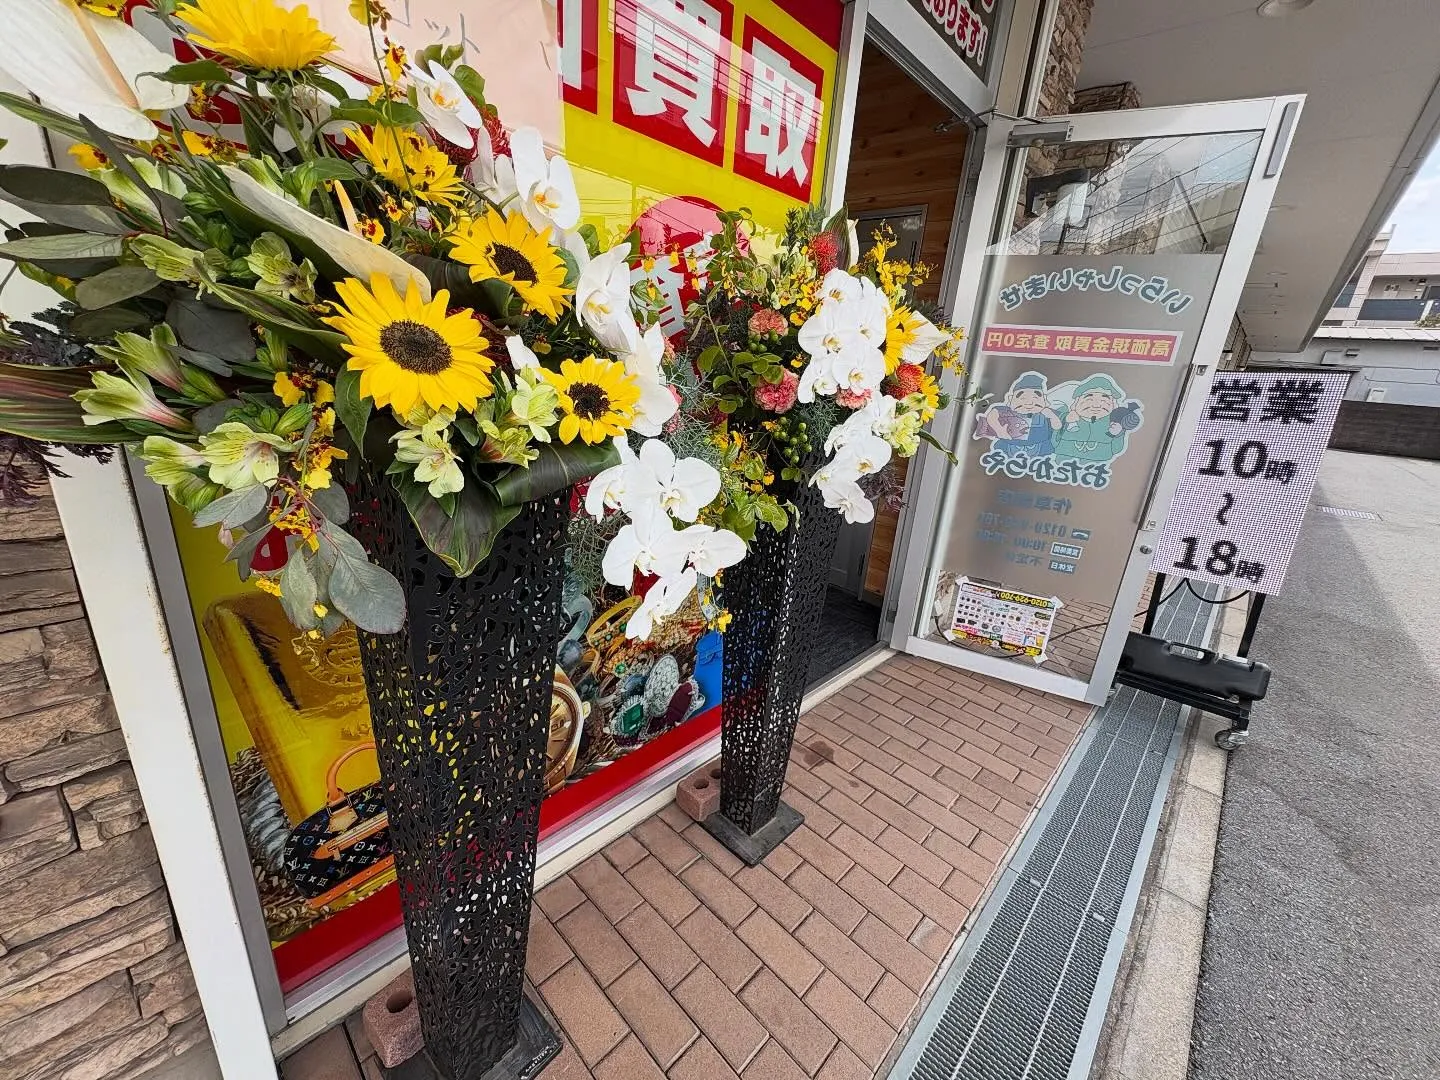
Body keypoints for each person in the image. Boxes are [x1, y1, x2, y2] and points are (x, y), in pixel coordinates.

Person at [1053, 373, 1138, 464]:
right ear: (1076, 402)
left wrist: (1118, 434)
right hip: (1061, 466)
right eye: (1089, 399)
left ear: (1113, 405)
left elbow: (1116, 449)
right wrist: (1065, 421)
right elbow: (1054, 442)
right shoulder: (1066, 417)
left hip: (1098, 468)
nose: (1096, 405)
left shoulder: (1111, 424)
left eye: (1104, 401)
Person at [976, 372, 1062, 457]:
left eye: (1035, 398)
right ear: (1010, 399)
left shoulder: (1046, 413)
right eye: (1023, 398)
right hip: (1008, 447)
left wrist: (1051, 416)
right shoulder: (1007, 411)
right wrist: (998, 429)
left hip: (1040, 449)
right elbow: (993, 414)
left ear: (1045, 399)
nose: (1029, 403)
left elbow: (1057, 426)